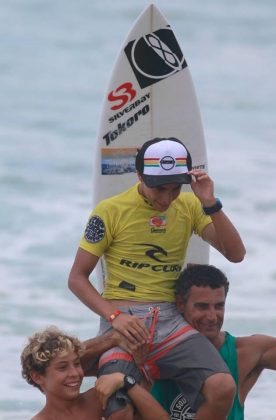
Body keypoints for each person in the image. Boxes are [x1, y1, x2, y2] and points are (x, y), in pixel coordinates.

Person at [68, 137, 246, 419]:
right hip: (123, 322)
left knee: (223, 387)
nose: (166, 198)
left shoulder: (189, 206)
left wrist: (210, 203)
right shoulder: (109, 211)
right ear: (139, 176)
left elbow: (236, 254)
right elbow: (77, 279)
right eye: (159, 188)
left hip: (171, 323)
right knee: (118, 410)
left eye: (175, 188)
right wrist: (116, 318)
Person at [151, 264, 276, 420]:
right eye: (202, 307)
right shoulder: (150, 352)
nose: (212, 317)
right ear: (180, 304)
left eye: (219, 306)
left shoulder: (244, 353)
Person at [20, 326, 169, 420]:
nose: (74, 373)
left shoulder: (100, 397)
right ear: (37, 377)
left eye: (77, 364)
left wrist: (126, 382)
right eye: (62, 367)